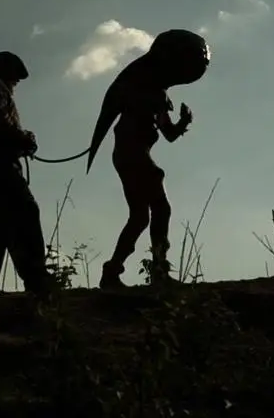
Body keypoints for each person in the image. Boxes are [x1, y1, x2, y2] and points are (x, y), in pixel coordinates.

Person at [85, 29, 211, 288]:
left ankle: (113, 271)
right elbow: (162, 131)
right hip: (134, 154)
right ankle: (158, 270)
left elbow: (168, 133)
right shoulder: (145, 88)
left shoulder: (155, 91)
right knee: (160, 208)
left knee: (140, 216)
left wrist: (183, 122)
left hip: (128, 155)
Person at [0, 51, 55, 295]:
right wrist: (23, 138)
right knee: (25, 214)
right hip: (0, 167)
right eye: (16, 77)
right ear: (6, 72)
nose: (17, 82)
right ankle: (36, 278)